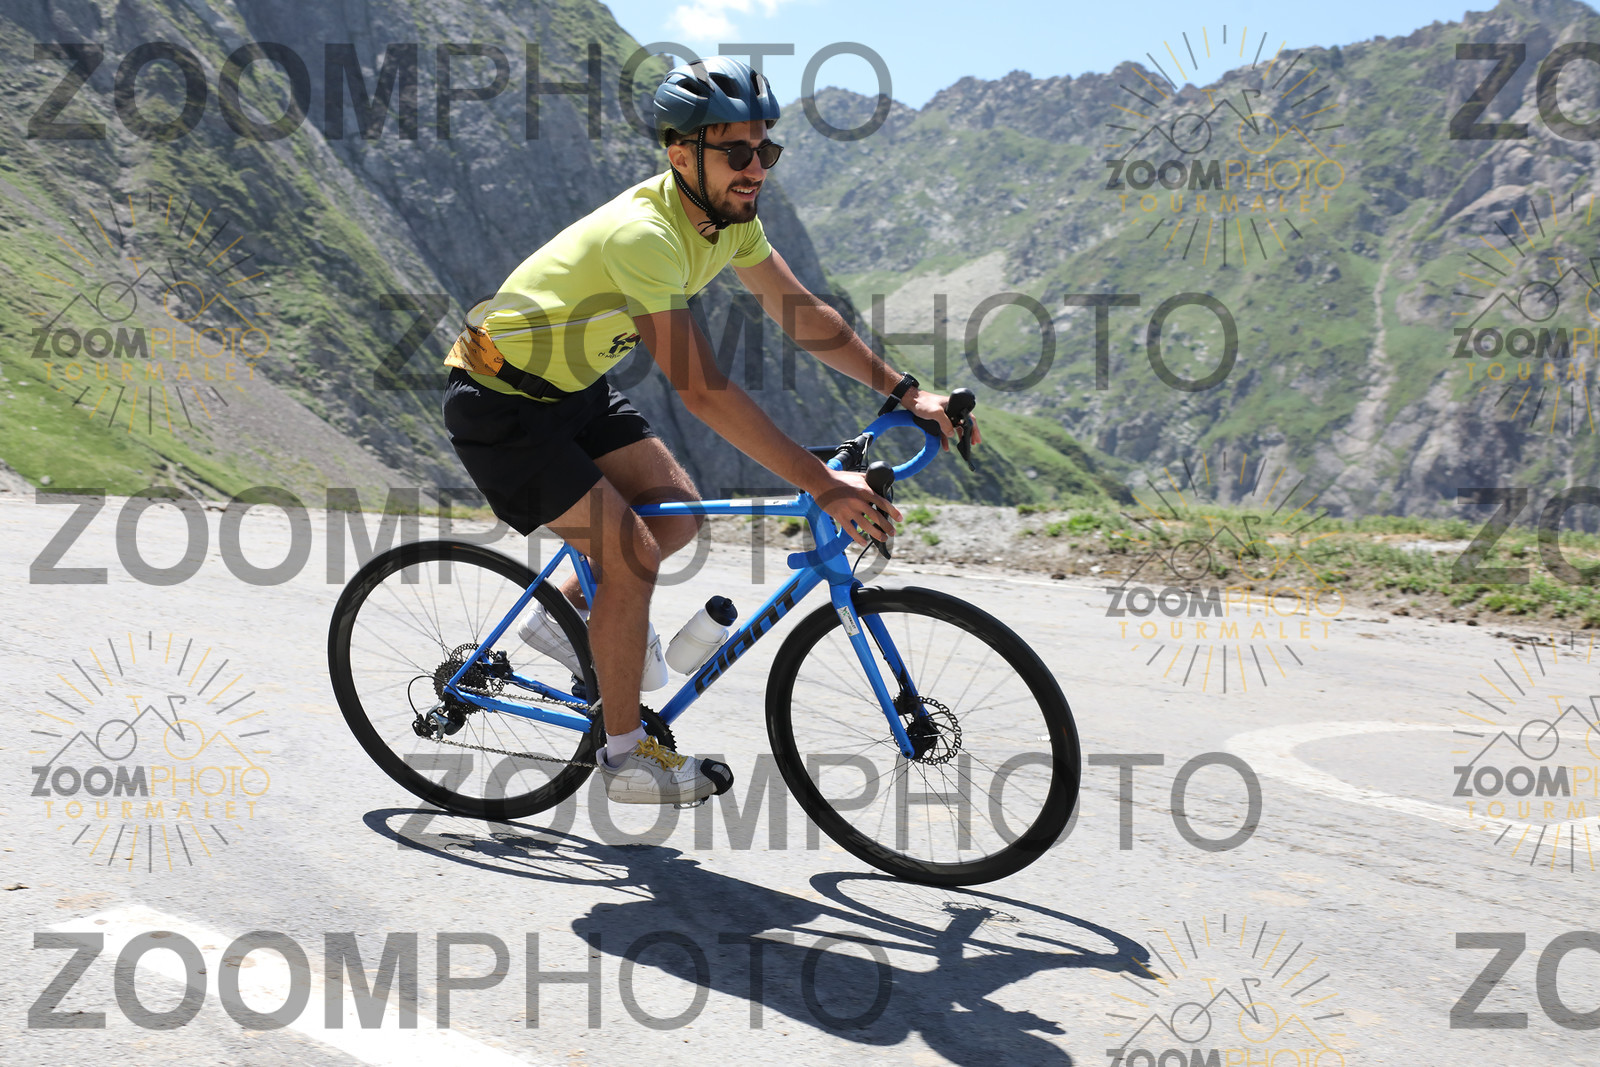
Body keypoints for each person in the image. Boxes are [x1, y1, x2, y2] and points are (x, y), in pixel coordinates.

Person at [441, 56, 979, 806]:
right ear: (680, 153)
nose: (755, 169)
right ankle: (625, 761)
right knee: (631, 554)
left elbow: (802, 314)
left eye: (766, 150)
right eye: (736, 152)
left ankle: (561, 619)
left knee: (679, 516)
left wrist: (906, 392)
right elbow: (701, 389)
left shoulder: (731, 222)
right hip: (501, 402)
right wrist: (821, 483)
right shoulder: (646, 236)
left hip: (573, 388)